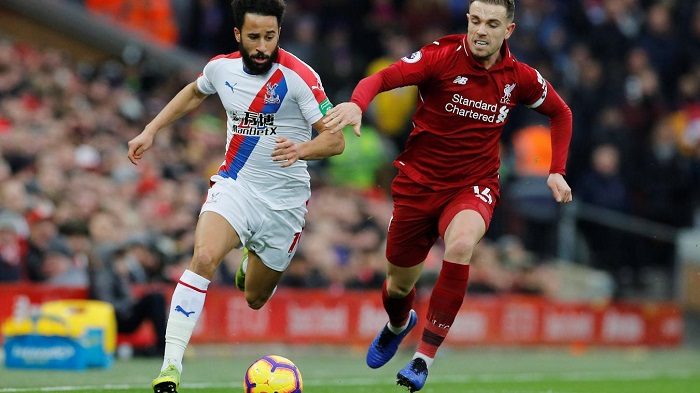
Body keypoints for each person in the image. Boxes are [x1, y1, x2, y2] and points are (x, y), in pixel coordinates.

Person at [324, 1, 573, 391]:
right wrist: (357, 104)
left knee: (459, 246)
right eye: (475, 20)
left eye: (492, 23)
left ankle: (422, 359)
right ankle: (397, 324)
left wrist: (556, 170)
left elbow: (561, 113)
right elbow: (383, 78)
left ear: (508, 31)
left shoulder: (519, 78)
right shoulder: (440, 58)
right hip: (418, 185)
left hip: (473, 185)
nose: (480, 30)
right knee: (399, 286)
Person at [126, 1, 345, 392]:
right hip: (236, 187)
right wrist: (151, 129)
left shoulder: (300, 77)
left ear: (279, 33)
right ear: (238, 35)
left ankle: (250, 259)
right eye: (255, 37)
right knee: (204, 257)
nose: (263, 46)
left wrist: (302, 149)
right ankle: (170, 367)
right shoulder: (220, 68)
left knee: (255, 298)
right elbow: (194, 92)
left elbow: (335, 138)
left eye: (271, 37)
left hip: (285, 202)